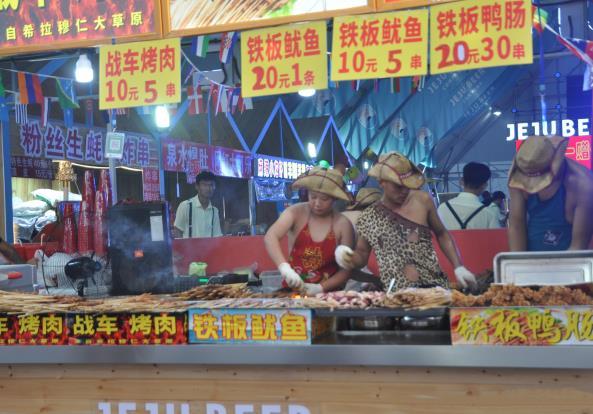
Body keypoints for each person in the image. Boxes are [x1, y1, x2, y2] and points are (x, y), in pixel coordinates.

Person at [334, 152, 477, 291]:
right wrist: (349, 258)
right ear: (382, 182)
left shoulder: (423, 201)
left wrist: (459, 267)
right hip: (396, 293)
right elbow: (362, 253)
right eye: (398, 186)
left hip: (433, 288)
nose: (404, 191)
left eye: (407, 186)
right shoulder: (370, 216)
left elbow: (442, 234)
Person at [264, 167, 354, 295]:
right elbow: (271, 236)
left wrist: (320, 288)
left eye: (324, 199)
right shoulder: (295, 212)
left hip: (328, 295)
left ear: (334, 198)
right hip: (292, 290)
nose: (317, 203)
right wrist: (285, 268)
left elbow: (346, 270)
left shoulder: (343, 224)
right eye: (313, 196)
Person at [508, 135, 593, 251]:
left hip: (569, 256)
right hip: (529, 256)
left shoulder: (583, 184)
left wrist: (559, 263)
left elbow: (578, 245)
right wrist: (519, 261)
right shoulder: (519, 176)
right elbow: (517, 225)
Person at [437, 162, 500, 230]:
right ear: (484, 185)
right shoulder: (489, 214)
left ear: (461, 181)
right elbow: (496, 236)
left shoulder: (442, 208)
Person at [174, 171, 223, 238]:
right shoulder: (185, 206)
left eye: (211, 185)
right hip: (188, 245)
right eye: (205, 185)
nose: (208, 188)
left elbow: (217, 236)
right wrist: (182, 245)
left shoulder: (214, 211)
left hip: (210, 245)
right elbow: (177, 231)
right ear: (197, 186)